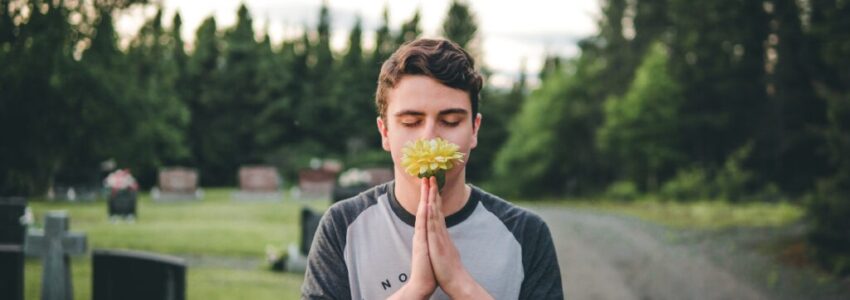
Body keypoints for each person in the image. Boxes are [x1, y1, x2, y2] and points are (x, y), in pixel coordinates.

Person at [301, 38, 563, 299]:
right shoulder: (343, 227)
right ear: (385, 133)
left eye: (450, 121)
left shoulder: (525, 234)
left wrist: (461, 284)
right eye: (411, 122)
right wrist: (415, 289)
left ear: (474, 129)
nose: (430, 138)